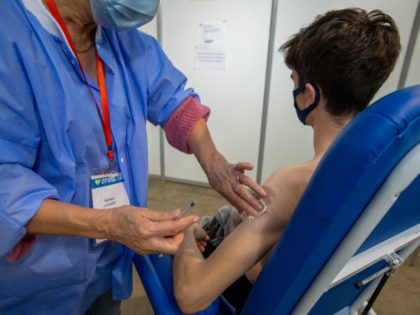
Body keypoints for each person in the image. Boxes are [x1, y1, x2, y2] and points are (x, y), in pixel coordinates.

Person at [0, 0, 267, 314]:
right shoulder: (11, 39)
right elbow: (7, 189)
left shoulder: (120, 39)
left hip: (107, 262)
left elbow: (176, 103)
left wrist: (215, 164)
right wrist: (108, 223)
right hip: (37, 282)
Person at [173, 7, 401, 314]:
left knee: (210, 223)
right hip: (331, 298)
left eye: (293, 79)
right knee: (235, 216)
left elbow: (191, 295)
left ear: (308, 95)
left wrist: (185, 234)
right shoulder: (388, 173)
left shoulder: (293, 183)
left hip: (270, 302)